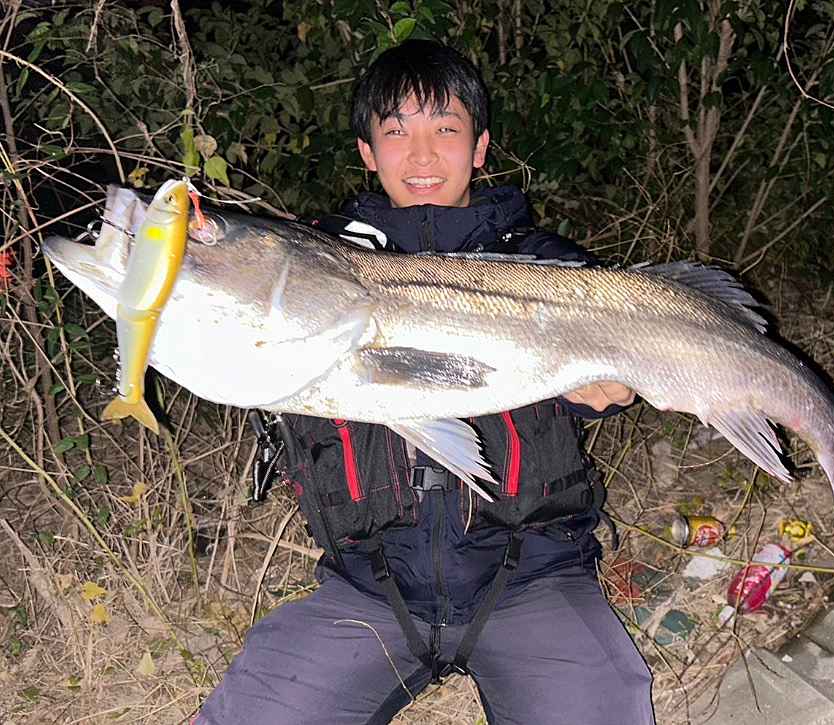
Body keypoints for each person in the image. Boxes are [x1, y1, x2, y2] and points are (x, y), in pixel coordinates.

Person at [197, 39, 656, 725]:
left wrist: (612, 388)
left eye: (445, 129)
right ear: (366, 151)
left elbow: (618, 365)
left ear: (480, 146)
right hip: (367, 589)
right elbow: (234, 313)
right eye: (395, 132)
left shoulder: (546, 267)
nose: (420, 157)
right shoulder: (311, 264)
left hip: (534, 579)